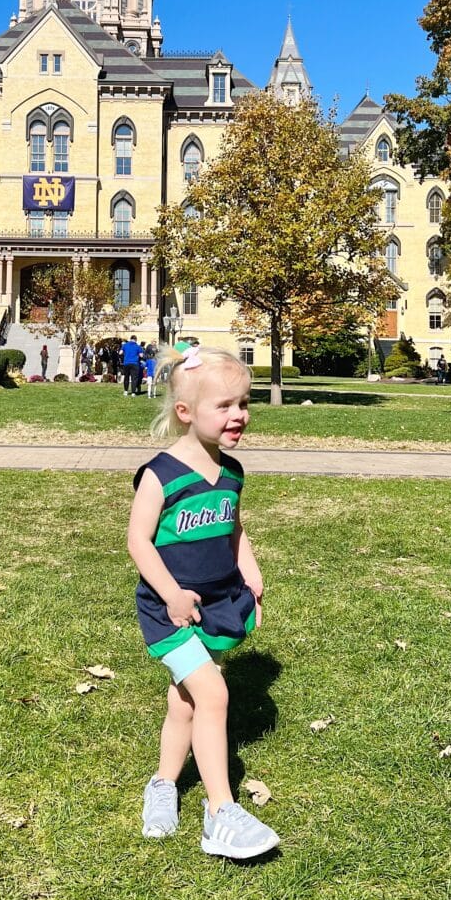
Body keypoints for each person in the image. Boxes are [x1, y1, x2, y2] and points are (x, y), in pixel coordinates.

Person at [127, 344, 279, 860]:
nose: (239, 415)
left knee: (186, 701)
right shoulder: (162, 474)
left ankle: (164, 783)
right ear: (185, 413)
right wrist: (170, 594)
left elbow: (235, 531)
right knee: (213, 694)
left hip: (214, 604)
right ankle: (221, 814)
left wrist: (251, 578)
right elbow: (138, 542)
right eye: (224, 406)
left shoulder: (232, 473)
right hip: (165, 611)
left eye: (243, 403)